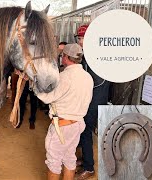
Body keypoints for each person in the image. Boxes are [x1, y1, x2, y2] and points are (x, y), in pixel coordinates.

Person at [35, 43, 93, 180]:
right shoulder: (87, 77)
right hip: (77, 124)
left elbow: (47, 98)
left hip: (62, 127)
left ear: (66, 57)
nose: (61, 58)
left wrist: (34, 86)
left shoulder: (64, 77)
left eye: (62, 55)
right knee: (69, 158)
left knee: (54, 162)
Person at [75, 25, 111, 180]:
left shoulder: (94, 58)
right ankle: (84, 159)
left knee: (85, 132)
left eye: (81, 38)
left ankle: (89, 167)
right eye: (79, 38)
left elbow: (94, 82)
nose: (79, 41)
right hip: (95, 99)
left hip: (94, 101)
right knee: (84, 132)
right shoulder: (94, 55)